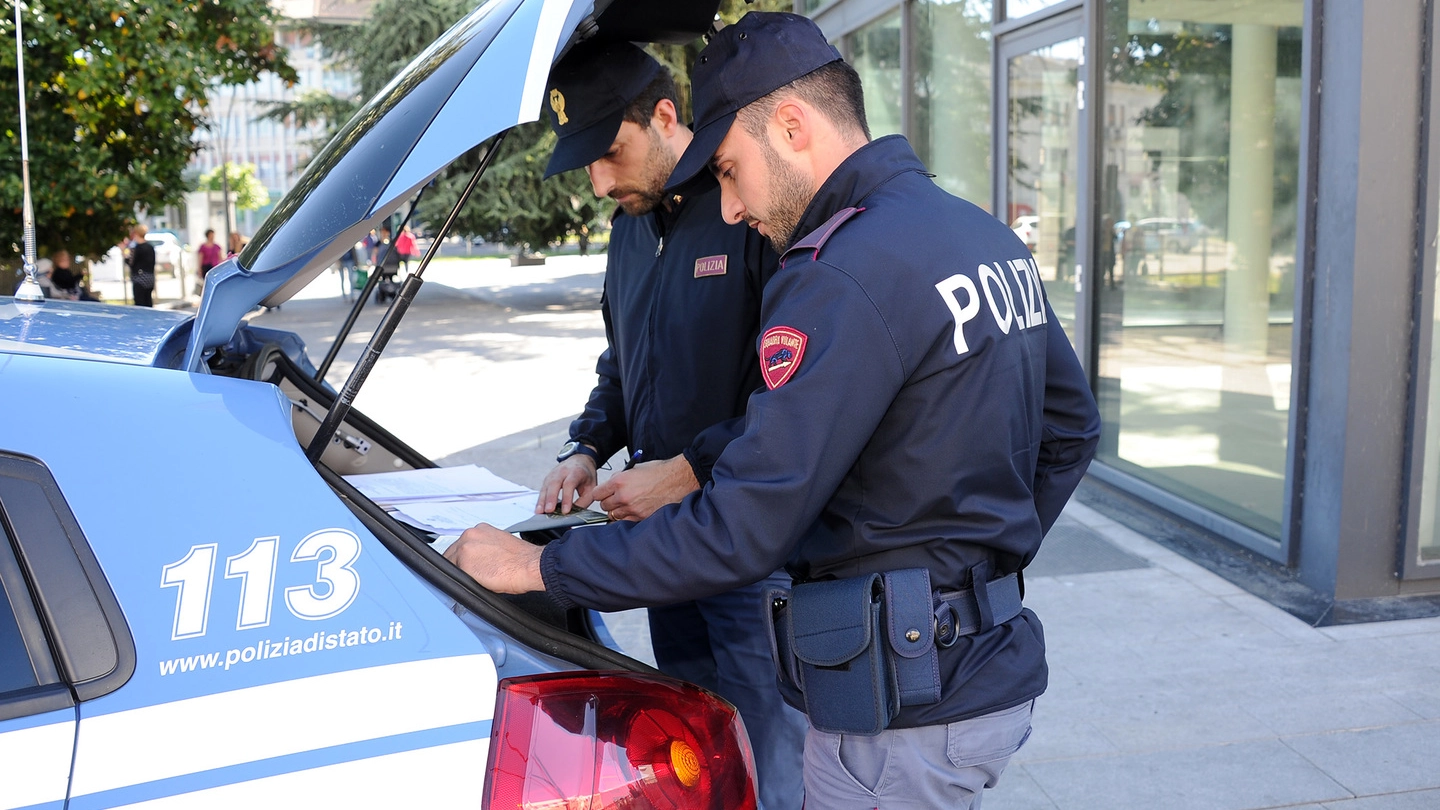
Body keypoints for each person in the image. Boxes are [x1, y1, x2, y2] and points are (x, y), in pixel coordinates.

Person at [445, 12, 1101, 808]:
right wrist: (972, 570)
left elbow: (741, 530)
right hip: (979, 667)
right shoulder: (980, 236)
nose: (727, 205)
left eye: (728, 170)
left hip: (896, 703)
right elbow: (1069, 431)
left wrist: (536, 566)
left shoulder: (838, 269)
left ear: (790, 126)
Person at [530, 40, 804, 810]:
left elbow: (789, 396)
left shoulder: (748, 214)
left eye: (610, 154)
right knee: (699, 751)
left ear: (664, 115)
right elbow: (623, 363)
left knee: (774, 758)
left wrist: (687, 469)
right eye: (586, 164)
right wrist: (585, 446)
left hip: (754, 556)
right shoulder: (628, 228)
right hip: (665, 548)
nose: (599, 181)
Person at [127, 225, 156, 307]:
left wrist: (124, 254)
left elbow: (131, 262)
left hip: (139, 278)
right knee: (148, 301)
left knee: (140, 303)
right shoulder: (150, 247)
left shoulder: (136, 248)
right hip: (149, 277)